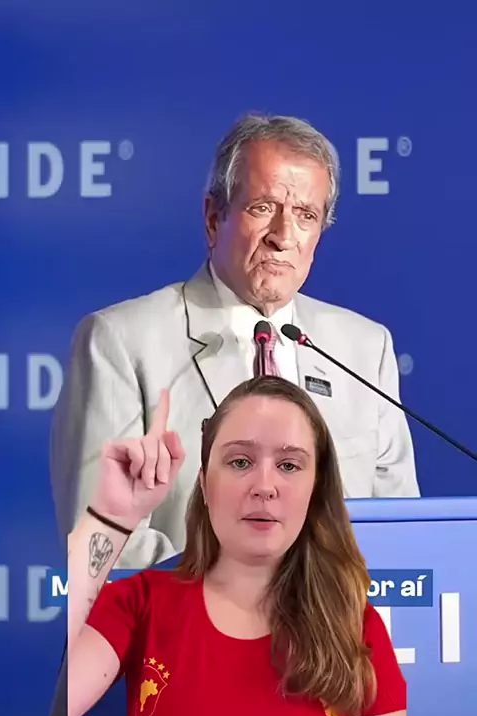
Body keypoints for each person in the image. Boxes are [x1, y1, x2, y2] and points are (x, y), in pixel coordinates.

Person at [52, 111, 419, 572]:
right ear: (213, 218)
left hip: (335, 618)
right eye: (263, 208)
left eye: (306, 215)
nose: (283, 237)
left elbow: (402, 538)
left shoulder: (365, 349)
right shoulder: (122, 343)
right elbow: (101, 539)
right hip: (186, 616)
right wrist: (240, 594)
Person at [68, 376, 407, 716]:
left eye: (289, 465)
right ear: (205, 484)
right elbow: (49, 701)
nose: (264, 486)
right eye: (240, 462)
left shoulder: (355, 627)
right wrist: (111, 516)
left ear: (315, 490)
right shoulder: (142, 603)